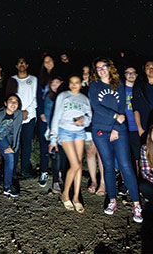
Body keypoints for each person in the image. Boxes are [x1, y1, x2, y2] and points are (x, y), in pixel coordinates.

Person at [90, 57, 143, 223]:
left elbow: (122, 110)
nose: (101, 70)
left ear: (109, 67)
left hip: (118, 129)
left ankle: (136, 205)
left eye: (104, 67)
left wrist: (115, 127)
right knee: (107, 166)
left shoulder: (118, 84)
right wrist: (114, 117)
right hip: (99, 129)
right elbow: (96, 107)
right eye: (98, 68)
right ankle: (112, 200)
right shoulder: (94, 86)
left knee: (126, 166)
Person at [49, 75, 92, 213]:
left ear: (81, 84)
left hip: (79, 132)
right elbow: (55, 117)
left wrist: (83, 120)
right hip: (64, 131)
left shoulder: (84, 99)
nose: (74, 85)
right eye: (71, 82)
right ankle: (65, 194)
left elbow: (89, 117)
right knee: (75, 165)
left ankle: (76, 197)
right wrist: (53, 139)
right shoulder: (63, 96)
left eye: (77, 82)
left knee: (78, 164)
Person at [5, 57, 39, 180]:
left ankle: (25, 169)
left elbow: (36, 97)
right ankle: (12, 170)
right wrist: (18, 112)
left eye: (23, 62)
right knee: (14, 144)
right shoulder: (12, 80)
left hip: (30, 116)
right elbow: (9, 98)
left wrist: (27, 111)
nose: (21, 64)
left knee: (27, 144)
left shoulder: (33, 79)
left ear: (27, 65)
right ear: (16, 66)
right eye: (19, 62)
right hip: (15, 116)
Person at [81, 64, 105, 195]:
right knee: (90, 152)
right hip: (87, 125)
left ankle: (103, 182)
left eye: (89, 73)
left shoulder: (100, 88)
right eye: (84, 73)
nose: (86, 75)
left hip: (100, 124)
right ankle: (94, 181)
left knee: (102, 153)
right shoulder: (81, 89)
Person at [36, 55, 57, 188]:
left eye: (50, 60)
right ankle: (44, 171)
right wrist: (41, 113)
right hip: (44, 115)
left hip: (57, 114)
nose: (47, 63)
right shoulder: (41, 78)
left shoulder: (59, 76)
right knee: (44, 144)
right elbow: (38, 96)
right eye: (45, 62)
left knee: (57, 145)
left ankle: (57, 175)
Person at [42, 75, 65, 192]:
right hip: (54, 130)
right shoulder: (49, 98)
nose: (55, 85)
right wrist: (53, 133)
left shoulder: (65, 96)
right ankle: (56, 180)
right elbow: (48, 116)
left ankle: (63, 176)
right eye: (53, 83)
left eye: (58, 82)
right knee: (56, 155)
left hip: (66, 130)